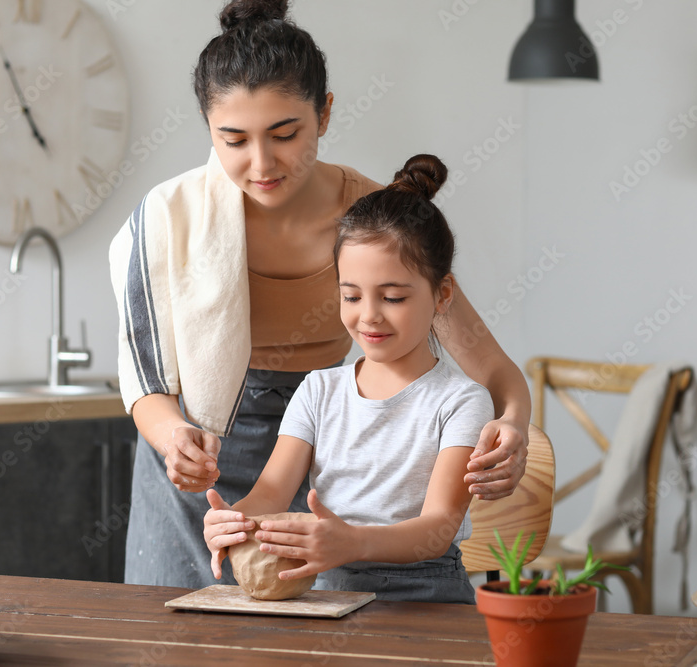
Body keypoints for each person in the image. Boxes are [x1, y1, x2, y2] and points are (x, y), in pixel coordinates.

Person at [109, 0, 531, 590]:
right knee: (177, 636)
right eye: (233, 140)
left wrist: (514, 426)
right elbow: (144, 377)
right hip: (197, 449)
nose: (261, 164)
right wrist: (174, 437)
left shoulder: (372, 222)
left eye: (285, 135)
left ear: (325, 114)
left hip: (330, 448)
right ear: (209, 128)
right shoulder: (166, 220)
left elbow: (492, 370)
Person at [204, 155, 492, 603]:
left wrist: (353, 542)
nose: (369, 316)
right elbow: (270, 492)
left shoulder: (460, 401)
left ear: (443, 295)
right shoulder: (319, 390)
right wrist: (234, 520)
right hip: (330, 592)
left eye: (393, 297)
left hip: (428, 592)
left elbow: (437, 530)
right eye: (351, 295)